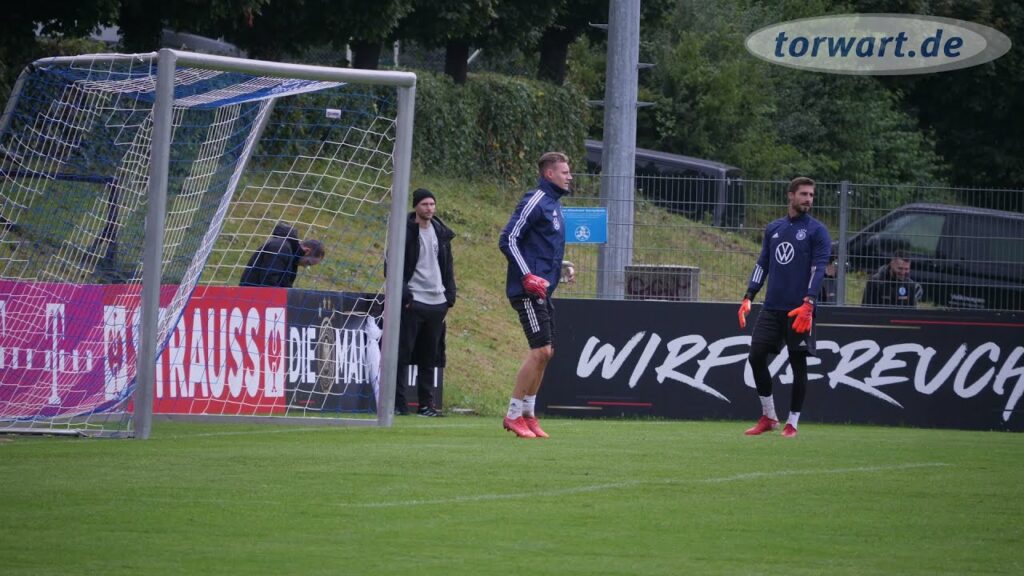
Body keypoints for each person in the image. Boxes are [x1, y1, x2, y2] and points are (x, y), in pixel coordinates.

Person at [737, 177, 831, 438]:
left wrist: (809, 302)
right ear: (791, 196)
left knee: (798, 363)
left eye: (811, 195)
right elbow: (762, 263)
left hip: (799, 309)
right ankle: (768, 416)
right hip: (772, 308)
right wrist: (749, 295)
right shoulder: (774, 228)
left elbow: (819, 268)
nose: (808, 199)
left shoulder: (817, 231)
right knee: (756, 356)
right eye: (803, 194)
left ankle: (793, 423)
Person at [498, 151, 576, 438]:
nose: (570, 176)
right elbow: (508, 239)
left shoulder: (553, 205)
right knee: (540, 350)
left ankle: (529, 414)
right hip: (526, 290)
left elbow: (540, 248)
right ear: (549, 174)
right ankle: (513, 414)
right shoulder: (535, 201)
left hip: (543, 289)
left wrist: (561, 267)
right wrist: (527, 275)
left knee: (548, 353)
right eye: (565, 172)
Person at [394, 188, 457, 417]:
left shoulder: (441, 232)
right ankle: (399, 404)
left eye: (432, 204)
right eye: (424, 204)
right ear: (416, 207)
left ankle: (426, 406)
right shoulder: (405, 232)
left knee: (429, 357)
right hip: (414, 300)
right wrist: (405, 296)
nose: (429, 208)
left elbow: (448, 266)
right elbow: (392, 267)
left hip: (437, 302)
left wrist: (449, 297)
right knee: (402, 354)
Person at [239, 222, 324, 287]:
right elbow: (269, 281)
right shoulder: (282, 248)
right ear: (307, 251)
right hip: (252, 299)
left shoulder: (291, 257)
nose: (305, 266)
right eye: (308, 263)